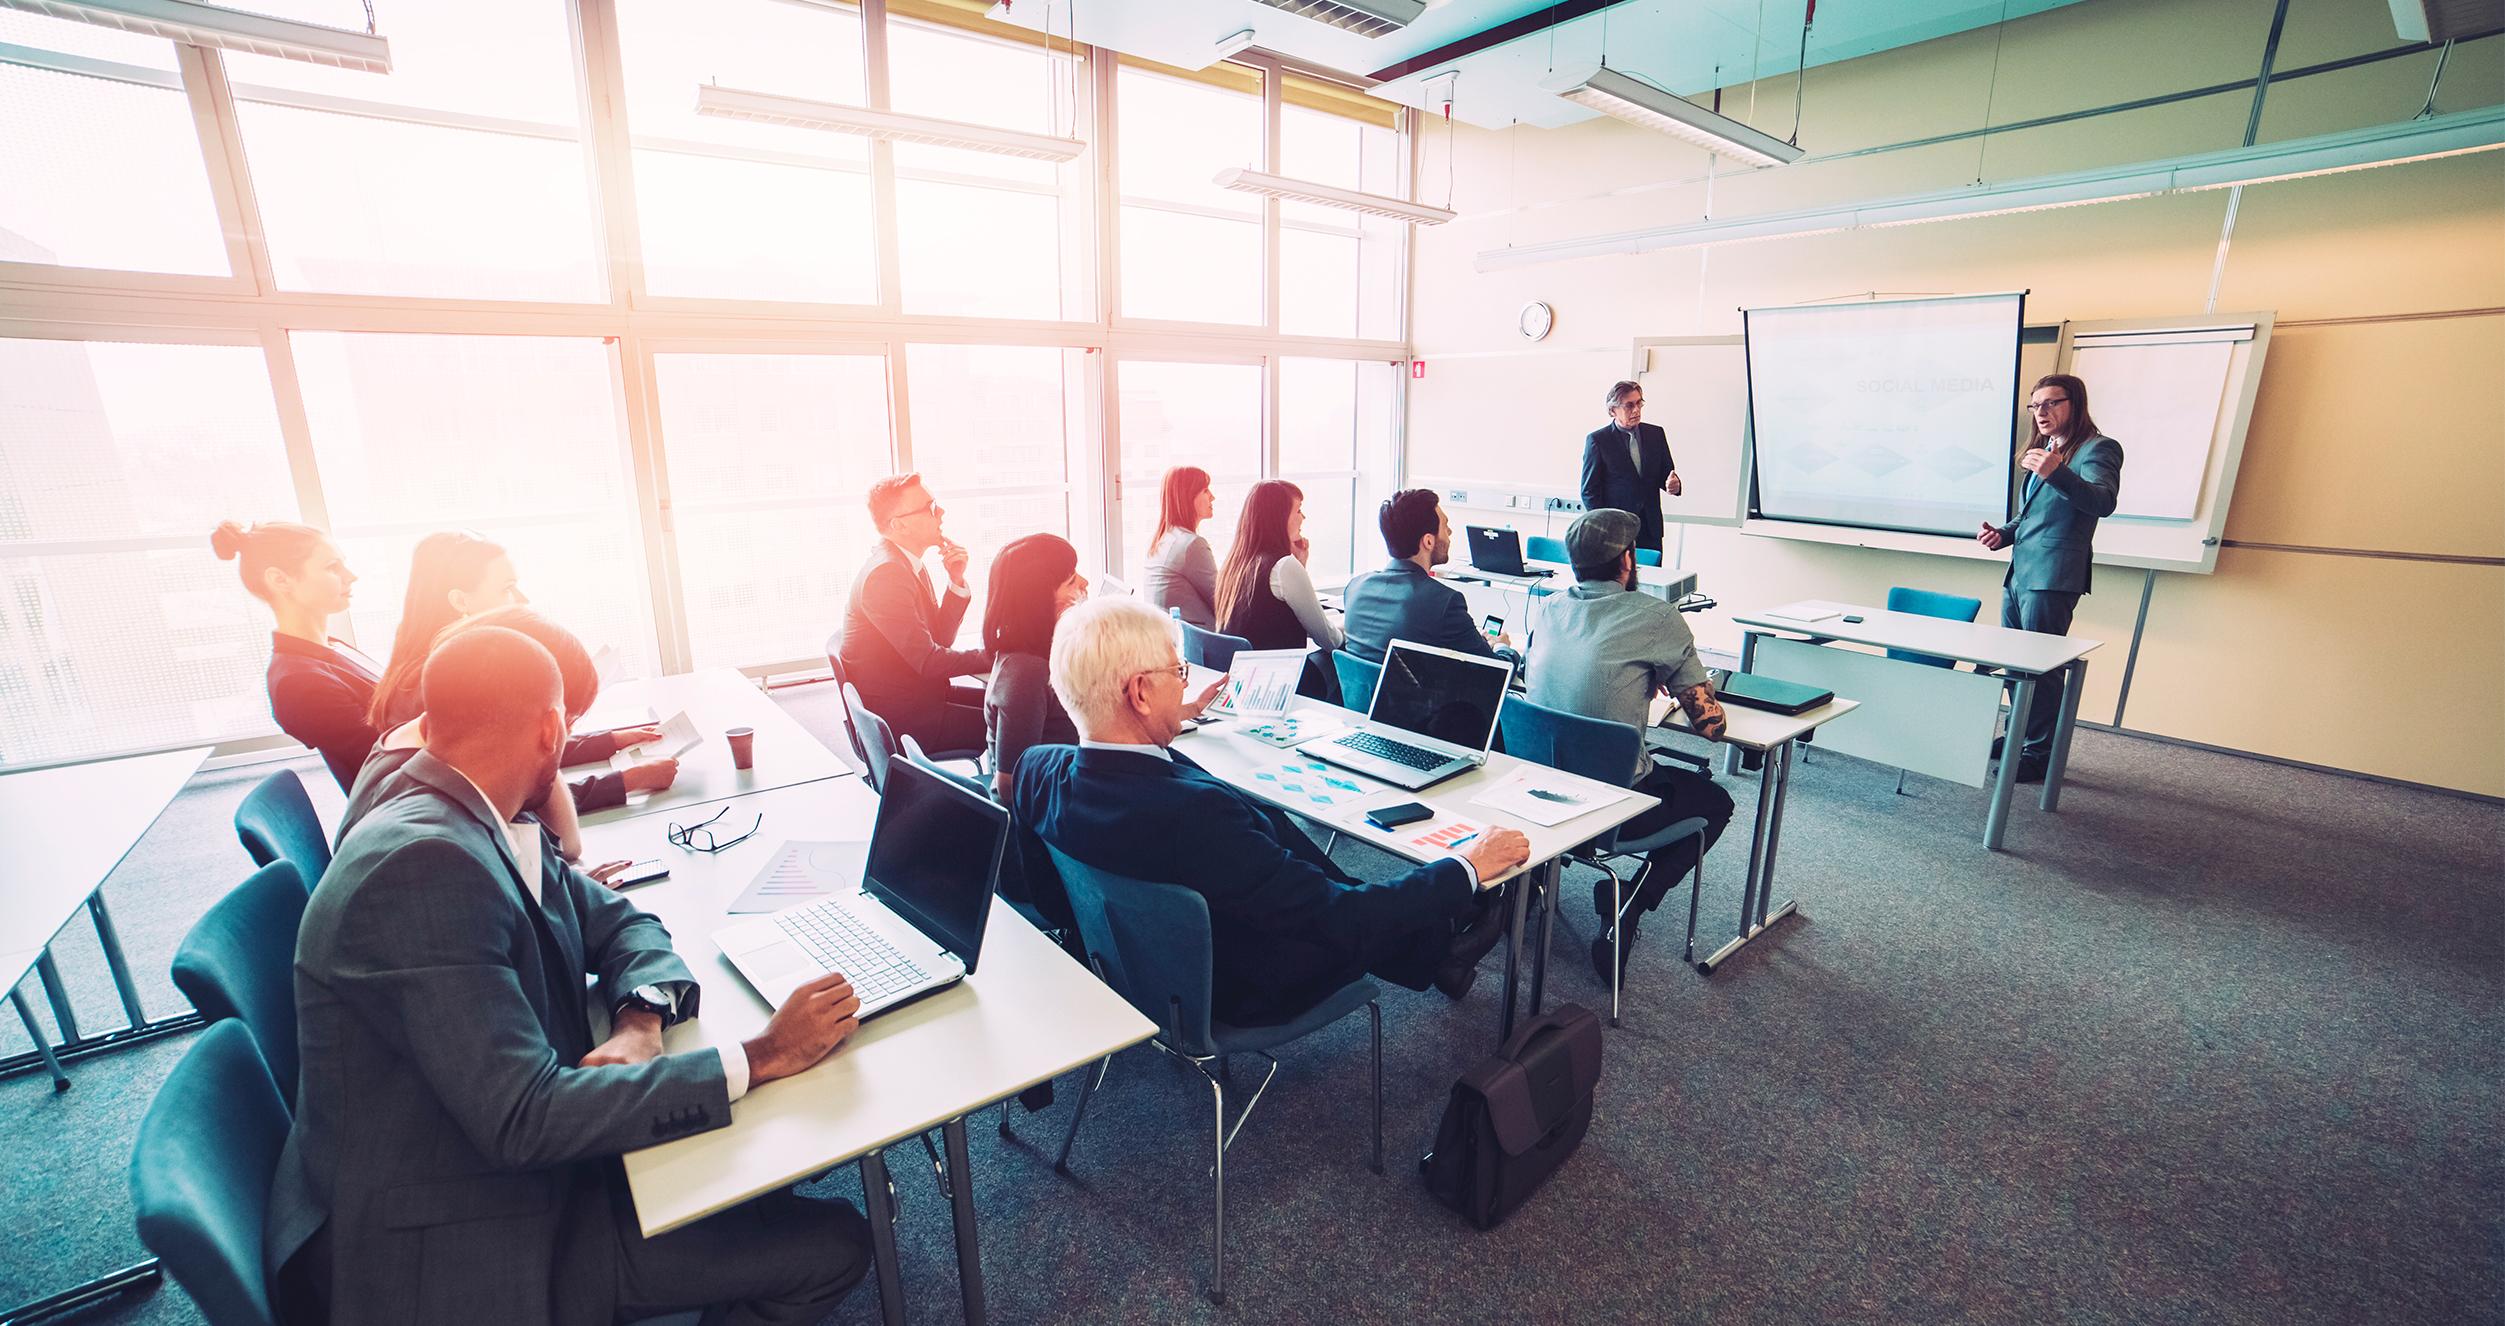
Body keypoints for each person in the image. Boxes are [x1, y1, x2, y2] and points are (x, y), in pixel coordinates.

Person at [267, 625, 871, 1326]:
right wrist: (764, 1055)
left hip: (465, 1152)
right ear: (553, 729)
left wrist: (639, 1021)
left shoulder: (458, 804)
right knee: (832, 1242)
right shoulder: (422, 867)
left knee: (760, 1163)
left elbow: (619, 922)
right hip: (465, 1239)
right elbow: (525, 1122)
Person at [1011, 597, 1530, 1025]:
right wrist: (1464, 867)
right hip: (1235, 987)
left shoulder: (1037, 770)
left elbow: (1054, 902)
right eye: (1178, 671)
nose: (1185, 683)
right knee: (1313, 872)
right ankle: (1441, 940)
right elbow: (1338, 921)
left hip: (1136, 966)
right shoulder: (1198, 818)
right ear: (1141, 693)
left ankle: (1437, 952)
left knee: (1274, 825)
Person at [1523, 508, 1737, 982]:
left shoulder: (1548, 607)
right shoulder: (1657, 618)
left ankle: (1527, 886)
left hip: (1535, 791)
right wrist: (1680, 679)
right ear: (1627, 559)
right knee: (1717, 802)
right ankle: (1627, 909)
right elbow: (1711, 726)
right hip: (1610, 807)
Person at [367, 530, 674, 814]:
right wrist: (624, 782)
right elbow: (509, 795)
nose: (523, 600)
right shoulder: (444, 683)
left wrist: (610, 741)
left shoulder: (437, 663)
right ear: (460, 600)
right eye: (507, 589)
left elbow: (519, 747)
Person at [353, 606, 644, 882]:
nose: (562, 735)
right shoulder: (440, 810)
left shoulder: (434, 742)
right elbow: (568, 845)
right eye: (566, 720)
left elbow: (557, 849)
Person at [1976, 373, 2124, 783]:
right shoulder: (2046, 450)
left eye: (2051, 403)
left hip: (2054, 577)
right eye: (2035, 405)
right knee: (2014, 663)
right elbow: (2031, 515)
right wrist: (2003, 533)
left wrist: (2058, 472)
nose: (2041, 413)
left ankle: (2040, 752)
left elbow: (2102, 501)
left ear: (2074, 403)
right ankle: (2020, 733)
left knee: (2041, 667)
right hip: (2019, 573)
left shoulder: (2097, 449)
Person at [212, 519, 378, 792]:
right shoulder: (299, 683)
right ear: (280, 580)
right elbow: (388, 755)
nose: (351, 575)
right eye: (332, 567)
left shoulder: (329, 648)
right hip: (415, 806)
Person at [981, 534, 1089, 930]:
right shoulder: (1027, 672)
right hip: (1037, 848)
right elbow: (1009, 783)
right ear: (1037, 597)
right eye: (1071, 581)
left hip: (1053, 815)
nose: (1084, 587)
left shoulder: (1032, 655)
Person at [836, 473, 990, 752]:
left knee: (1016, 706)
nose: (941, 512)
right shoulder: (887, 573)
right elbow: (929, 661)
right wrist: (995, 655)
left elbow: (940, 639)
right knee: (1029, 721)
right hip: (908, 719)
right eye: (930, 508)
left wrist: (955, 580)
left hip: (922, 698)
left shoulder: (906, 563)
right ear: (899, 525)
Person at [1341, 488, 1512, 664]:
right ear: (1428, 541)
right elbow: (1495, 671)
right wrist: (1502, 647)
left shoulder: (1355, 588)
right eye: (1445, 526)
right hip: (1415, 692)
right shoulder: (1443, 602)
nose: (1450, 532)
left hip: (1360, 691)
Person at [1214, 479, 1342, 656]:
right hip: (1279, 676)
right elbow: (1330, 640)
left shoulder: (1236, 563)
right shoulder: (1283, 567)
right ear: (1279, 518)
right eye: (1298, 510)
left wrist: (1300, 564)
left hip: (1243, 674)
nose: (1303, 517)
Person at [1579, 380, 1682, 554]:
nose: (1636, 410)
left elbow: (1666, 474)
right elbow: (1589, 491)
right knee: (1618, 581)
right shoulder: (1598, 440)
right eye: (1629, 406)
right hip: (1615, 531)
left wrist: (1674, 484)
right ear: (1613, 411)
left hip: (1650, 529)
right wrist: (1605, 527)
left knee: (1651, 579)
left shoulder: (1655, 434)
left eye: (1639, 403)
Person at [1141, 465, 1219, 629]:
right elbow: (1223, 602)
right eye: (1205, 490)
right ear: (1188, 497)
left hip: (1171, 636)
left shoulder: (1162, 539)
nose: (1213, 497)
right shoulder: (1191, 546)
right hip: (1201, 643)